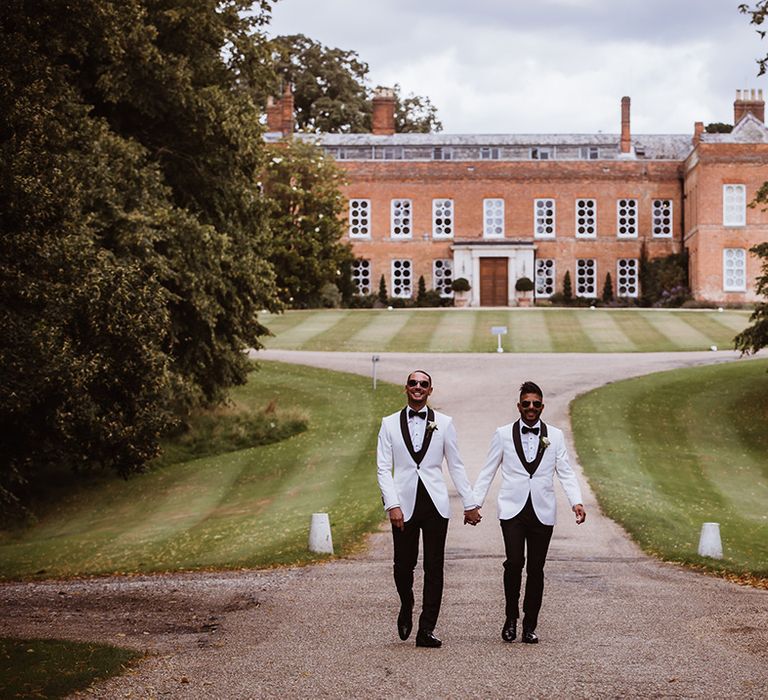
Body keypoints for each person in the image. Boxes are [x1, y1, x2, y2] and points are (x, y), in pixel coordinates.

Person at [473, 380, 586, 644]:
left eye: (536, 404)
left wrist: (576, 502)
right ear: (519, 406)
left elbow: (566, 472)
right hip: (512, 509)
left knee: (536, 569)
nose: (531, 408)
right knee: (514, 563)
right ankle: (510, 618)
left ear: (542, 406)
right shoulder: (502, 434)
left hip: (542, 511)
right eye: (526, 404)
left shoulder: (555, 436)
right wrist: (474, 504)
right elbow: (488, 470)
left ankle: (530, 625)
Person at [377, 370, 481, 648]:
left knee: (434, 567)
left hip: (435, 503)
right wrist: (392, 504)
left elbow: (456, 465)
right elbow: (383, 468)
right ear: (406, 388)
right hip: (404, 504)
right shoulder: (388, 424)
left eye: (423, 384)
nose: (418, 387)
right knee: (403, 565)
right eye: (413, 383)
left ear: (430, 390)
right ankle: (406, 602)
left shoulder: (445, 423)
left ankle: (426, 629)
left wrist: (469, 503)